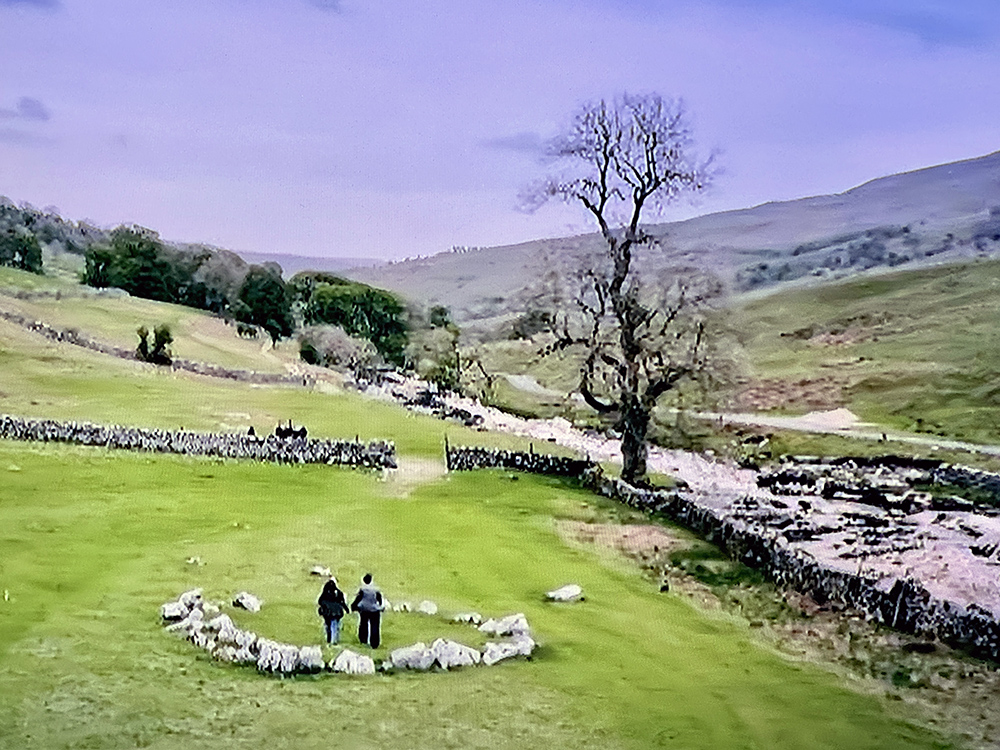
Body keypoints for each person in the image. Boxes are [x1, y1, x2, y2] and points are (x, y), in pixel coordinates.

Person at [351, 573, 385, 648]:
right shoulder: (376, 588)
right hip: (374, 610)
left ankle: (363, 640)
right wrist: (380, 606)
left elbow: (358, 598)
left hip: (364, 609)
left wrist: (353, 606)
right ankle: (375, 643)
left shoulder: (363, 589)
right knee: (375, 627)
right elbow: (379, 598)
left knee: (363, 625)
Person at [317, 576, 348, 644]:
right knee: (335, 626)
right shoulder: (339, 593)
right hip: (337, 613)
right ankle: (335, 639)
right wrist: (347, 609)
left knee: (328, 626)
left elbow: (320, 601)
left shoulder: (325, 594)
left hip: (328, 613)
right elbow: (342, 602)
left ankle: (329, 638)